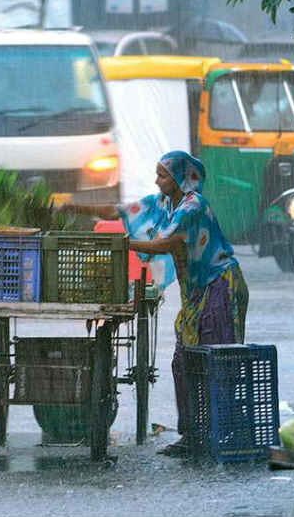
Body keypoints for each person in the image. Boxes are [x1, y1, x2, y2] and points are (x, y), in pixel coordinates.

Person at [62, 151, 249, 456]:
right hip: (196, 292)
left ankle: (222, 431)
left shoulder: (192, 207)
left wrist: (123, 244)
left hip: (219, 285)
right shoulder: (164, 203)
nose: (157, 180)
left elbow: (164, 244)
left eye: (162, 175)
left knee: (216, 360)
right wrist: (76, 207)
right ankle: (192, 434)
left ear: (179, 178)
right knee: (184, 362)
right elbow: (119, 210)